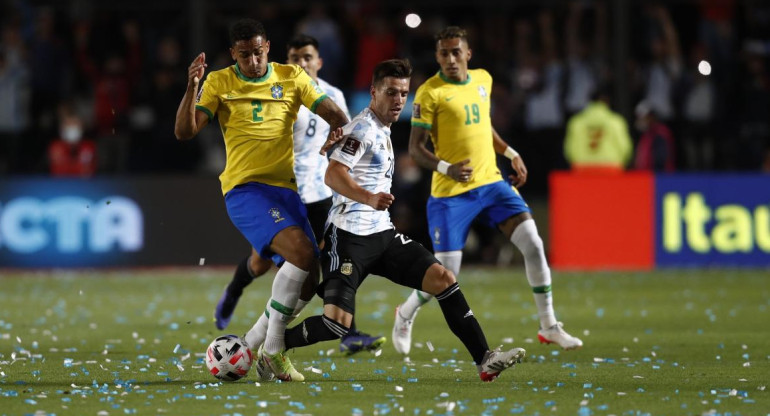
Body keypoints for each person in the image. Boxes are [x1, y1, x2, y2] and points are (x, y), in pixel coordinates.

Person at [255, 58, 526, 382]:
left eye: (403, 93)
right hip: (349, 237)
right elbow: (333, 173)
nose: (399, 100)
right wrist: (368, 198)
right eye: (391, 92)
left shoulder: (382, 128)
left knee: (443, 278)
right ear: (374, 92)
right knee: (335, 323)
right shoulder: (364, 129)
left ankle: (484, 359)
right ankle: (273, 348)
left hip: (382, 234)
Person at [174, 19, 349, 382]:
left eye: (258, 52)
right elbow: (185, 132)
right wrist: (192, 86)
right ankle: (272, 350)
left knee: (309, 279)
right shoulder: (220, 82)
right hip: (245, 189)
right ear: (232, 54)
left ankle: (252, 344)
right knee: (301, 253)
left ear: (268, 46)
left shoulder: (291, 76)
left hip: (286, 191)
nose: (253, 61)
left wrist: (337, 130)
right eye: (244, 55)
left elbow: (335, 114)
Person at [391, 26, 583, 355]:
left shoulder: (483, 79)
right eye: (443, 53)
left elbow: (483, 126)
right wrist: (446, 168)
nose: (450, 59)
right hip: (451, 191)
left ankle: (549, 325)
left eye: (456, 52)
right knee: (446, 273)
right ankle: (406, 313)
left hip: (492, 183)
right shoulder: (429, 92)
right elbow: (416, 147)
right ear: (437, 56)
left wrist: (511, 153)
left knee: (535, 245)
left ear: (468, 53)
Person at [215, 34, 385, 356]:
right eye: (295, 57)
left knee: (327, 258)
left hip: (320, 190)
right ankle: (235, 294)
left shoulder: (331, 95)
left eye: (307, 57)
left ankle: (346, 329)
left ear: (318, 61)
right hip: (279, 190)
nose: (301, 63)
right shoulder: (281, 89)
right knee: (261, 261)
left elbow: (346, 133)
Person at [563, 86, 633, 173]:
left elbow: (569, 149)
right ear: (607, 101)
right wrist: (621, 163)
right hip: (611, 169)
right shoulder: (615, 121)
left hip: (582, 168)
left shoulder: (576, 122)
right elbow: (625, 147)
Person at [48, 102, 97, 177]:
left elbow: (89, 171)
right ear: (62, 128)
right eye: (68, 125)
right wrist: (78, 167)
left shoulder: (89, 145)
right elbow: (57, 170)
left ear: (82, 128)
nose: (72, 128)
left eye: (74, 124)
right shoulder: (55, 146)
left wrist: (68, 166)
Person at [633, 101, 675, 172]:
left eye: (643, 118)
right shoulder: (647, 134)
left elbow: (661, 159)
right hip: (646, 176)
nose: (640, 121)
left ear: (651, 117)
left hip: (658, 178)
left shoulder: (660, 133)